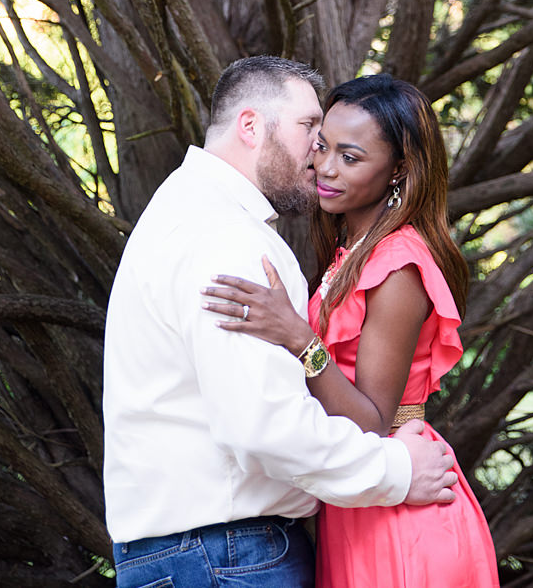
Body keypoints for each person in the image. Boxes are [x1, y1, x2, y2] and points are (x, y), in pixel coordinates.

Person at [103, 56, 458, 588]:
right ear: (251, 125)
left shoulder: (185, 210)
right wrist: (398, 472)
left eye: (338, 144)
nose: (319, 156)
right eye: (310, 130)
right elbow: (263, 427)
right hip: (226, 555)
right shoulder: (227, 239)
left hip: (203, 552)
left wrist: (301, 339)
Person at [202, 72, 500, 588]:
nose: (325, 168)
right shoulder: (355, 253)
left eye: (351, 157)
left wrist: (299, 339)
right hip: (365, 498)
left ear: (398, 171)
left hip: (402, 513)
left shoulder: (398, 265)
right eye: (322, 147)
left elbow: (374, 420)